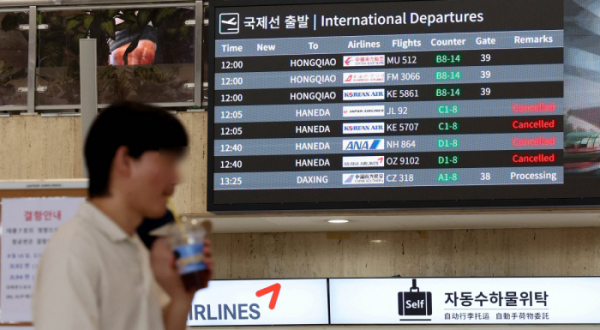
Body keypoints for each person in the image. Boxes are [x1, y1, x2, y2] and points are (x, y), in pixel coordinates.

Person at [32, 102, 213, 330]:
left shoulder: (133, 247)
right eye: (168, 160)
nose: (176, 177)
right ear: (125, 160)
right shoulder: (75, 250)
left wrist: (182, 295)